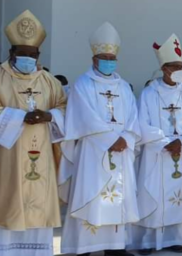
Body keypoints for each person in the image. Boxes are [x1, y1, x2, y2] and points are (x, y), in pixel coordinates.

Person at [0, 10, 66, 256]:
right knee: (6, 204)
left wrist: (50, 116)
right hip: (7, 156)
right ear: (11, 53)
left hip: (43, 154)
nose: (28, 58)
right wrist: (18, 117)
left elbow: (65, 108)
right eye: (22, 54)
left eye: (32, 55)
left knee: (39, 204)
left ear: (38, 55)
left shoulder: (50, 81)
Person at [58, 22, 139, 256]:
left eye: (111, 57)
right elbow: (83, 117)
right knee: (92, 198)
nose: (108, 61)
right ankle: (84, 247)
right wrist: (111, 139)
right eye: (104, 57)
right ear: (94, 59)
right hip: (92, 153)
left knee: (117, 199)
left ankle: (115, 247)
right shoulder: (83, 84)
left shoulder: (123, 87)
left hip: (121, 151)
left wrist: (126, 137)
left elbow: (134, 117)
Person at [130, 34, 182, 255]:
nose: (180, 70)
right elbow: (142, 123)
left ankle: (173, 239)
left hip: (181, 153)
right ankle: (146, 242)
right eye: (175, 66)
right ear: (164, 68)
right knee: (153, 196)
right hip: (157, 154)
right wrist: (165, 142)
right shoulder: (150, 93)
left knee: (178, 197)